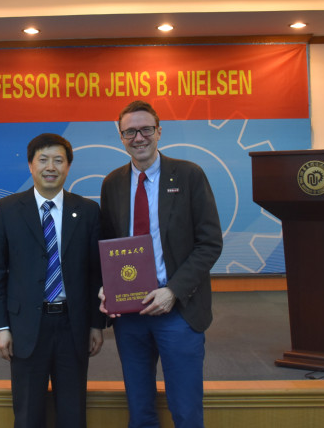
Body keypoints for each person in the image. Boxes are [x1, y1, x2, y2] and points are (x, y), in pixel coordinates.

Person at [98, 100, 223, 428]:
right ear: (121, 137)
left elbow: (210, 243)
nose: (138, 137)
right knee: (140, 411)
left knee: (186, 411)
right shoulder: (112, 183)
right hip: (130, 314)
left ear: (159, 132)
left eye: (146, 129)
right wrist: (106, 287)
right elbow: (108, 245)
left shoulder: (189, 175)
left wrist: (173, 291)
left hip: (178, 310)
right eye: (130, 132)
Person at [0, 133, 106, 428]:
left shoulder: (88, 211)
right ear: (31, 165)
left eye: (58, 160)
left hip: (73, 326)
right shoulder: (7, 209)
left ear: (68, 167)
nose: (50, 167)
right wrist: (1, 327)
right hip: (25, 327)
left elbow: (96, 272)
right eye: (43, 160)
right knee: (27, 414)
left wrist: (96, 324)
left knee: (73, 413)